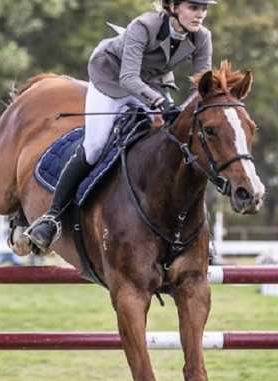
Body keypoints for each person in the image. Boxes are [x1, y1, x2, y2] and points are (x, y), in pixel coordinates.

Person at [24, 0, 217, 250]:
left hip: (151, 83)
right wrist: (160, 102)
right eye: (193, 7)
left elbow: (200, 86)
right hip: (112, 80)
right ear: (172, 6)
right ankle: (52, 217)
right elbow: (128, 78)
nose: (200, 14)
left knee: (179, 146)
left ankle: (198, 232)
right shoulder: (143, 26)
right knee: (94, 147)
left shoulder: (202, 37)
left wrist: (183, 110)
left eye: (203, 9)